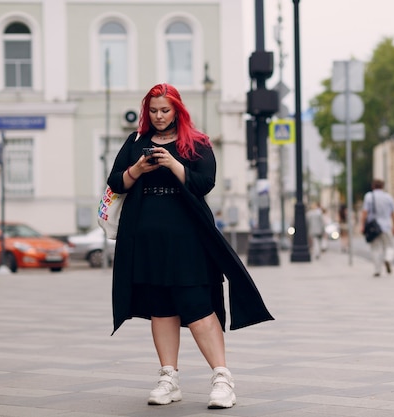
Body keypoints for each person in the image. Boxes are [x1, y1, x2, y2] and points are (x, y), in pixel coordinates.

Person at [106, 83, 273, 409]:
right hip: (147, 238)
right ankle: (168, 378)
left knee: (196, 304)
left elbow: (203, 183)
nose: (158, 116)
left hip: (188, 237)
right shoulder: (135, 142)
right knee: (161, 307)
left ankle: (222, 379)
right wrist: (138, 168)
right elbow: (115, 181)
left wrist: (172, 163)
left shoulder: (196, 143)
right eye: (153, 111)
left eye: (164, 110)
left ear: (178, 110)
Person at [360, 179, 394, 277]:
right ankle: (388, 259)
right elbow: (393, 213)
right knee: (390, 246)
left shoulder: (368, 196)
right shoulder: (388, 197)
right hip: (386, 226)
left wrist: (362, 225)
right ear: (383, 186)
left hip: (373, 227)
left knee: (375, 248)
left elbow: (364, 213)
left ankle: (377, 270)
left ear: (373, 186)